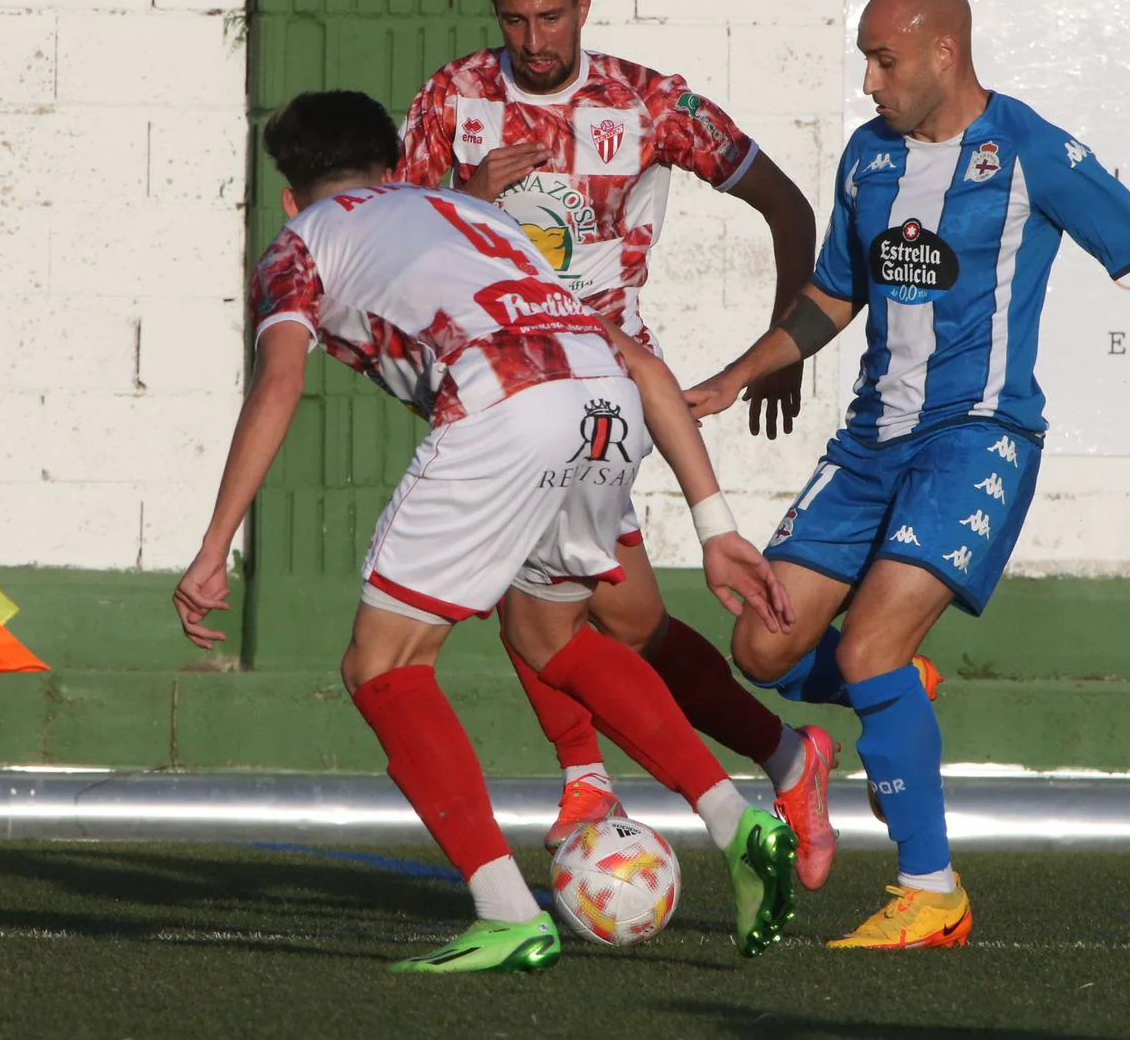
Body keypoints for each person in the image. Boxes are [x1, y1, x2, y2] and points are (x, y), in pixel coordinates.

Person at [173, 89, 801, 975]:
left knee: (384, 665)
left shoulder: (299, 245)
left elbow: (276, 386)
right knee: (550, 636)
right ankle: (736, 820)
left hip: (505, 402)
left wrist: (212, 551)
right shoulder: (469, 212)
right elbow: (642, 363)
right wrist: (713, 521)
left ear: (288, 192)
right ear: (393, 169)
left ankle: (506, 912)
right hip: (603, 401)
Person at [687, 0, 1130, 949]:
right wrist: (735, 374)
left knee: (869, 644)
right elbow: (833, 295)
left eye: (883, 61)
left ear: (941, 52)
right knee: (761, 644)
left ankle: (930, 890)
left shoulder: (1026, 150)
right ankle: (893, 698)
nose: (869, 83)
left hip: (975, 437)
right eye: (865, 62)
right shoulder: (867, 158)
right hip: (870, 443)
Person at [392, 0, 843, 888]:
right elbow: (393, 232)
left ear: (583, 7)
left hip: (603, 382)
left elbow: (791, 207)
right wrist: (466, 195)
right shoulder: (453, 100)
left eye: (551, 16)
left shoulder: (647, 103)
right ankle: (786, 759)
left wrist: (785, 350)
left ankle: (592, 781)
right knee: (628, 623)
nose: (534, 40)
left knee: (523, 604)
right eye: (515, 20)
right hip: (492, 378)